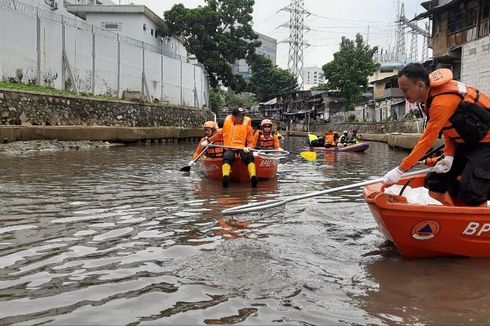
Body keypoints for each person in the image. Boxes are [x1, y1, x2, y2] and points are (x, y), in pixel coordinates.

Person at [383, 63, 490, 206]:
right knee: (435, 182)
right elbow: (448, 128)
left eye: (405, 89)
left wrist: (400, 170)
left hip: (486, 143)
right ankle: (452, 218)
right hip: (467, 142)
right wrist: (449, 155)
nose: (404, 95)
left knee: (472, 190)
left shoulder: (441, 103)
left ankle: (478, 222)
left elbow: (427, 141)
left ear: (420, 85)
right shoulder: (429, 99)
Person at [205, 107, 257, 188]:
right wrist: (208, 141)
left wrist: (249, 147)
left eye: (243, 115)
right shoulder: (227, 124)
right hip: (229, 148)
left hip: (242, 148)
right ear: (234, 116)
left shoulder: (248, 126)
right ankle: (225, 177)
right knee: (227, 157)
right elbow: (219, 135)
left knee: (248, 156)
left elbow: (251, 141)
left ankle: (253, 177)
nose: (242, 118)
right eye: (240, 116)